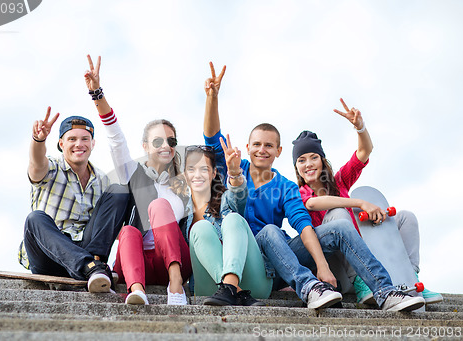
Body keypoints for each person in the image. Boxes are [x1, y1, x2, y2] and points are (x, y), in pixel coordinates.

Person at [202, 62, 425, 311]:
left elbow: (303, 224)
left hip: (278, 261)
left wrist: (322, 264)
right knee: (269, 232)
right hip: (251, 261)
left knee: (339, 224)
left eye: (268, 145)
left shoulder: (286, 186)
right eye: (256, 145)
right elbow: (211, 139)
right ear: (248, 147)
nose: (261, 150)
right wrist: (212, 97)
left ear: (278, 151)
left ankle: (386, 291)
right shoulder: (235, 166)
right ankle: (309, 288)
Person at [292, 98, 443, 304]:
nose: (308, 164)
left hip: (365, 249)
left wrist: (360, 128)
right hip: (337, 262)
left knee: (406, 218)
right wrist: (360, 203)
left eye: (313, 157)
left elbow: (363, 153)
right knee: (338, 215)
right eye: (301, 160)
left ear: (322, 160)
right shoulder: (299, 192)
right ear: (297, 166)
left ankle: (409, 277)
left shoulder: (339, 182)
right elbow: (312, 204)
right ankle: (361, 282)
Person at [84, 55, 191, 305]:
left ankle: (176, 288)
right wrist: (97, 94)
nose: (165, 145)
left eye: (171, 141)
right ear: (145, 146)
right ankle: (137, 291)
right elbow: (116, 139)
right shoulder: (133, 173)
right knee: (129, 231)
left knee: (159, 206)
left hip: (173, 264)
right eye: (157, 141)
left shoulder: (183, 184)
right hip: (137, 263)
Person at [19, 109, 130, 293]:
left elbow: (108, 225)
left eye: (85, 139)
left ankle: (94, 266)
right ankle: (91, 267)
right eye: (72, 139)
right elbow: (36, 163)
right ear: (61, 144)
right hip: (48, 256)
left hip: (85, 248)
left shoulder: (102, 180)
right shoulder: (52, 169)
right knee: (34, 219)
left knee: (119, 191)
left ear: (93, 143)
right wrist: (38, 140)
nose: (79, 144)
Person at [184, 137, 272, 306]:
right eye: (191, 169)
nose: (197, 174)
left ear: (214, 173)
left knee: (233, 218)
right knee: (200, 227)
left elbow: (238, 197)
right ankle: (233, 290)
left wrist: (235, 173)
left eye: (204, 169)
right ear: (185, 175)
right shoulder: (180, 211)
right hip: (209, 287)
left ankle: (230, 285)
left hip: (253, 283)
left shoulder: (225, 200)